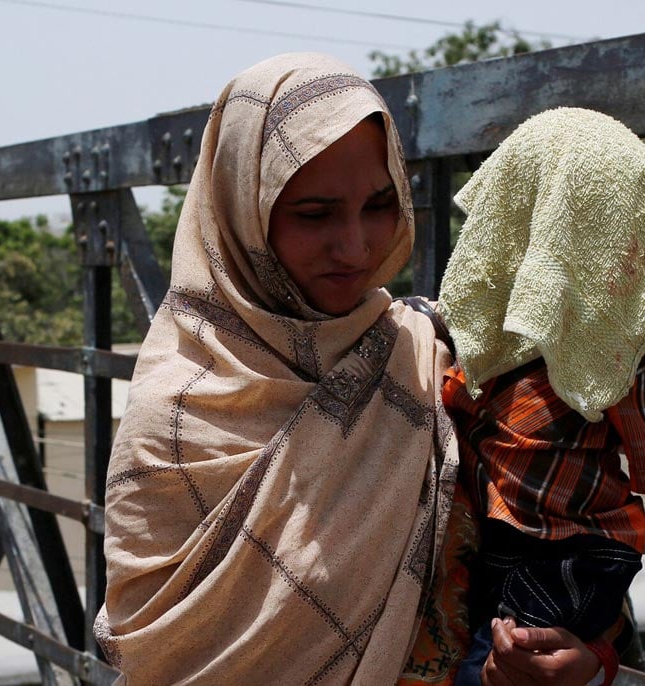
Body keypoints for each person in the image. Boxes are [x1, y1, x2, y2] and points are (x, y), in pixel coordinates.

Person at [95, 54, 601, 685]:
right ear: (241, 212)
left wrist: (583, 661)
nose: (358, 246)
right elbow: (162, 652)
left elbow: (565, 534)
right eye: (315, 214)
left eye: (380, 203)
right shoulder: (173, 421)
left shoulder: (429, 355)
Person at [437, 108, 645, 685]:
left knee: (507, 661)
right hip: (497, 534)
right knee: (484, 646)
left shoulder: (630, 340)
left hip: (573, 552)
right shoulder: (488, 320)